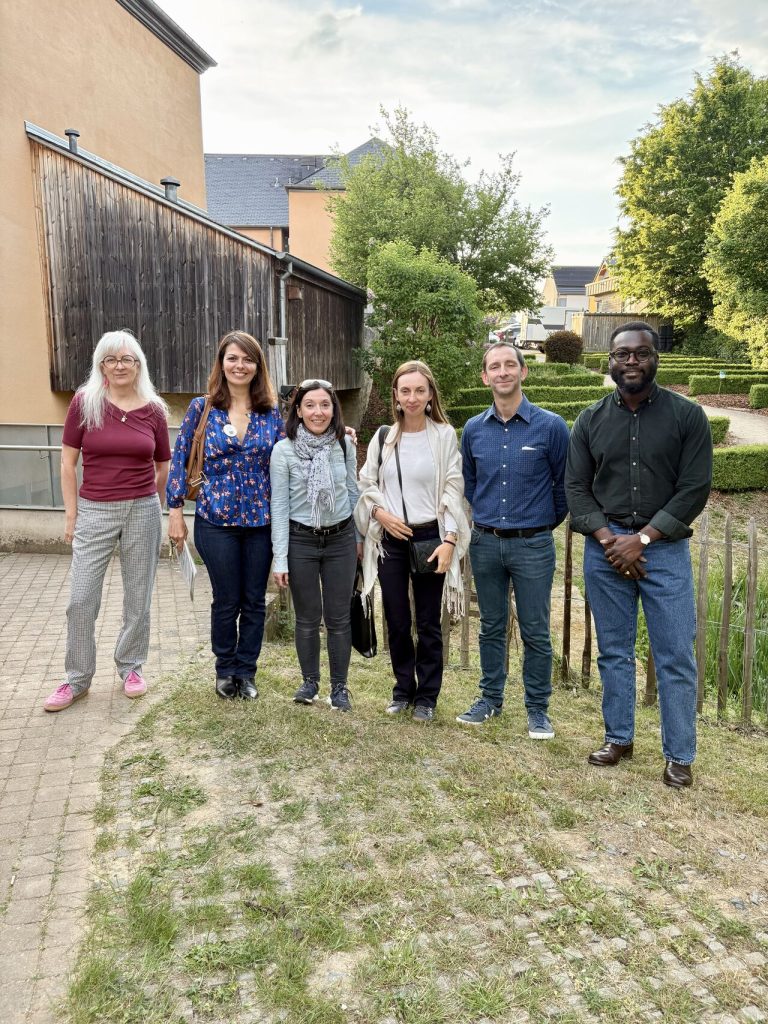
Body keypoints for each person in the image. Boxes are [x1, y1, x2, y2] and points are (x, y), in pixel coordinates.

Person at [565, 321, 712, 789]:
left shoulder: (687, 416)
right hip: (606, 551)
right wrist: (611, 540)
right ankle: (618, 739)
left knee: (674, 655)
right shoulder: (590, 420)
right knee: (614, 651)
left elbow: (694, 488)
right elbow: (576, 488)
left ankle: (679, 756)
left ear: (655, 358)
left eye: (641, 353)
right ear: (609, 360)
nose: (631, 361)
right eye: (622, 354)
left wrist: (643, 539)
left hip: (663, 551)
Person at [44, 330, 171, 712]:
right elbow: (67, 463)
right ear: (101, 365)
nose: (119, 366)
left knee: (138, 598)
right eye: (111, 359)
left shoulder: (154, 409)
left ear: (138, 365)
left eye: (126, 359)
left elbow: (162, 465)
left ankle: (131, 667)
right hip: (95, 510)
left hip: (142, 510)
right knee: (81, 599)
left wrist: (154, 505)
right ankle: (77, 679)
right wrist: (72, 515)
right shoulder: (85, 403)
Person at [457, 342, 569, 737]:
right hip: (486, 543)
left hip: (533, 545)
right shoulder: (473, 429)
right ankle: (490, 699)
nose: (502, 372)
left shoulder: (551, 427)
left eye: (509, 365)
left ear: (523, 372)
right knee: (490, 625)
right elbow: (471, 484)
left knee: (535, 629)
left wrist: (539, 524)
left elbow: (563, 486)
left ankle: (537, 708)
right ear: (484, 377)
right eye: (494, 366)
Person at [167, 331, 284, 701]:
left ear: (258, 367)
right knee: (226, 599)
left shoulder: (270, 412)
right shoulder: (202, 408)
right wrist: (175, 511)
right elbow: (179, 459)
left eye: (248, 359)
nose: (240, 365)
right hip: (215, 521)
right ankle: (224, 669)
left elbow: (289, 458)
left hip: (260, 522)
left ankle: (246, 672)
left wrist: (336, 437)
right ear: (221, 363)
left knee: (254, 600)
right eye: (233, 358)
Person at [355, 360, 469, 722]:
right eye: (405, 390)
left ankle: (427, 697)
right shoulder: (384, 437)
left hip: (430, 537)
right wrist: (380, 514)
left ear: (431, 394)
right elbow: (366, 483)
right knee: (397, 618)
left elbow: (453, 488)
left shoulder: (444, 436)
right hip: (391, 538)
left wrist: (449, 539)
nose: (413, 397)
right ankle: (403, 689)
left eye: (420, 390)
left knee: (429, 622)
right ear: (396, 395)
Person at [269, 380, 361, 711]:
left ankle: (339, 688)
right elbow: (279, 506)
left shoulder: (344, 445)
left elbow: (353, 491)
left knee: (339, 618)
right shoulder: (283, 451)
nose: (317, 412)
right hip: (301, 541)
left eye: (325, 405)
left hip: (340, 539)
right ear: (298, 410)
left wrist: (359, 538)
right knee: (307, 617)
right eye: (310, 405)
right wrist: (280, 558)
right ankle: (309, 682)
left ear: (334, 410)